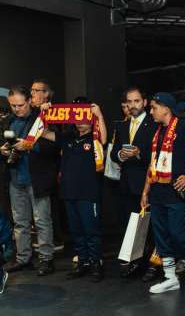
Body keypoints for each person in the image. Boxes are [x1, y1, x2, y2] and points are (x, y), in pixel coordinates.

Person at [40, 102, 107, 282]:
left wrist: (99, 115)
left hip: (88, 193)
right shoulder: (67, 136)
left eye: (84, 118)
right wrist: (43, 114)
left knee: (91, 230)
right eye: (77, 118)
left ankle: (96, 264)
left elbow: (104, 139)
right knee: (76, 231)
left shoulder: (95, 138)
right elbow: (44, 133)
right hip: (69, 192)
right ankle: (83, 262)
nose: (80, 122)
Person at [140, 92, 185, 294]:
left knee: (179, 234)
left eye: (154, 107)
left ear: (166, 108)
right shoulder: (157, 132)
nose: (151, 111)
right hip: (157, 191)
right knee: (161, 235)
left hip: (176, 193)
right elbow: (152, 162)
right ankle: (170, 277)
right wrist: (146, 190)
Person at [1, 86, 58, 276]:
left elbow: (54, 147)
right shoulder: (8, 121)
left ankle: (46, 259)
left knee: (42, 220)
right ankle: (23, 258)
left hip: (37, 178)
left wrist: (30, 146)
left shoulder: (42, 118)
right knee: (20, 221)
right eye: (13, 105)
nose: (17, 109)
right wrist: (3, 151)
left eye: (20, 105)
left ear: (29, 101)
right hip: (15, 178)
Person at [110, 86, 160, 281]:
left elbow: (159, 153)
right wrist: (120, 155)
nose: (132, 105)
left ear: (145, 102)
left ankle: (155, 265)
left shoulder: (154, 123)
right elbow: (113, 153)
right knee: (132, 226)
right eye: (129, 102)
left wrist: (139, 153)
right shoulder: (121, 125)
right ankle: (135, 262)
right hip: (127, 183)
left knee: (154, 227)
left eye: (136, 101)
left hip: (149, 183)